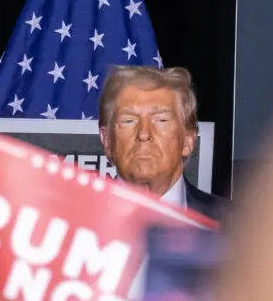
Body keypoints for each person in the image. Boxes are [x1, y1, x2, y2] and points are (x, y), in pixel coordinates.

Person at [97, 65, 229, 223]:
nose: (144, 133)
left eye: (161, 120)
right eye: (128, 121)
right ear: (107, 140)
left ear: (188, 139)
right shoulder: (68, 222)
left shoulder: (241, 227)